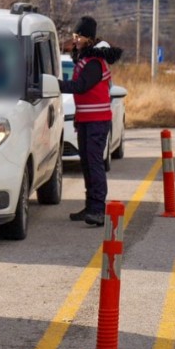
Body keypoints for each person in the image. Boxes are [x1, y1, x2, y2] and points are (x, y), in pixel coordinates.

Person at [59, 16, 123, 226]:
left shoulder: (94, 62)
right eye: (74, 36)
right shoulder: (85, 59)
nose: (75, 40)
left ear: (89, 38)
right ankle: (90, 205)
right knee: (86, 163)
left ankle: (97, 209)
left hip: (97, 121)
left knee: (94, 164)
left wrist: (54, 85)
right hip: (86, 120)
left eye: (79, 36)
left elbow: (81, 86)